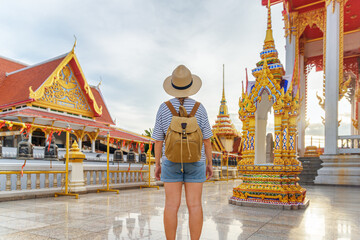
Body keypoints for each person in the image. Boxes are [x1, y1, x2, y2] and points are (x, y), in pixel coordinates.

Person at [152, 65, 213, 240]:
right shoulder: (199, 108)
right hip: (196, 160)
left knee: (171, 205)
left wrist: (157, 164)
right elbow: (207, 140)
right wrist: (209, 163)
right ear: (190, 85)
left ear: (173, 86)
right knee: (195, 206)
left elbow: (158, 140)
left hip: (170, 160)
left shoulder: (163, 108)